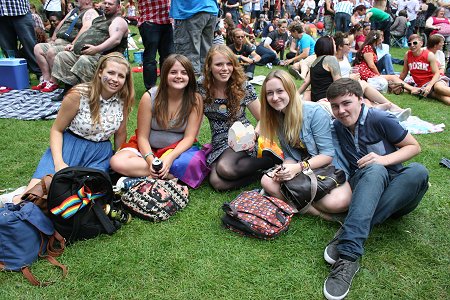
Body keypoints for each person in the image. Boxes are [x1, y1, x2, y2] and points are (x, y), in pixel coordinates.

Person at [323, 78, 429, 300]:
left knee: (418, 172)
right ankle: (349, 257)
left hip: (395, 194)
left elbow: (414, 146)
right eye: (335, 106)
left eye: (346, 103)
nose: (341, 111)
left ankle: (348, 231)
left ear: (361, 100)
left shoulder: (380, 118)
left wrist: (383, 159)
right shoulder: (337, 128)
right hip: (365, 186)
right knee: (374, 171)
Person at [6, 53, 134, 205]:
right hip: (70, 147)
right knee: (32, 200)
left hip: (100, 155)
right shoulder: (78, 94)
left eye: (121, 76)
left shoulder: (123, 100)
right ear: (100, 72)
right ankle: (14, 197)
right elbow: (56, 130)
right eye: (111, 72)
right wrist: (59, 162)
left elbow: (120, 134)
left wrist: (118, 160)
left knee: (74, 202)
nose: (115, 79)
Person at [259, 70, 352, 220]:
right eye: (270, 93)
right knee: (267, 181)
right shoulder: (277, 117)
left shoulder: (314, 113)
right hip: (301, 169)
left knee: (340, 202)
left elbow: (327, 155)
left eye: (279, 91)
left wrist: (297, 168)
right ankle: (322, 215)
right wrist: (285, 168)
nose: (275, 97)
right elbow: (289, 154)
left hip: (327, 169)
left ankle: (294, 201)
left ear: (290, 90)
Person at [110, 54, 204, 184]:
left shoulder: (195, 99)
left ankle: (151, 174)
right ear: (164, 74)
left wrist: (170, 158)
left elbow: (189, 137)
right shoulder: (149, 97)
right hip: (147, 150)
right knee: (117, 161)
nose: (179, 76)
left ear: (190, 77)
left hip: (177, 152)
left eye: (184, 73)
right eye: (173, 72)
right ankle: (166, 174)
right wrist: (151, 161)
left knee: (192, 163)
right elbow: (142, 137)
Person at [197, 45, 278, 191]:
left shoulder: (242, 85)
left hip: (243, 139)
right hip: (219, 140)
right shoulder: (201, 86)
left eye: (229, 64)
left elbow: (263, 117)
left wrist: (255, 134)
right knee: (218, 183)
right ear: (209, 66)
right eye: (219, 64)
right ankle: (258, 175)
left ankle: (269, 161)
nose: (225, 69)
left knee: (225, 169)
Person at [51, 0, 129, 101]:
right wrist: (74, 45)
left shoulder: (118, 21)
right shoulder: (99, 19)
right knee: (63, 56)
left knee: (84, 60)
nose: (106, 6)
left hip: (106, 57)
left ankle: (90, 93)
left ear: (118, 7)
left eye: (110, 4)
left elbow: (115, 40)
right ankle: (68, 89)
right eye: (105, 3)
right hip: (88, 53)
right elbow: (88, 34)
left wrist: (96, 49)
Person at [334, 31, 409, 116]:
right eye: (348, 44)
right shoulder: (332, 60)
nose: (350, 46)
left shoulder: (344, 57)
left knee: (366, 100)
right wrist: (378, 75)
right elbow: (371, 65)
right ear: (340, 46)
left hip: (353, 82)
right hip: (348, 84)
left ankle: (385, 110)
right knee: (369, 83)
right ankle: (392, 106)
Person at [32, 0, 99, 92]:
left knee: (52, 51)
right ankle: (46, 79)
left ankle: (54, 82)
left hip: (69, 44)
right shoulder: (74, 11)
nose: (76, 0)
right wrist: (52, 39)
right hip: (58, 41)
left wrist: (73, 43)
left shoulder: (90, 12)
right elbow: (62, 23)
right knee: (38, 48)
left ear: (87, 1)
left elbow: (86, 27)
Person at [353, 30, 419, 94]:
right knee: (393, 77)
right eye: (379, 40)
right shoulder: (368, 48)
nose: (380, 41)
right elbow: (371, 65)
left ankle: (409, 89)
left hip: (366, 71)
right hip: (365, 72)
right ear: (375, 40)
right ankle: (412, 88)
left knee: (392, 77)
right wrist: (378, 75)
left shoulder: (369, 47)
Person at [170, 0, 218, 76]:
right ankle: (204, 84)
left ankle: (191, 85)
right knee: (206, 53)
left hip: (190, 10)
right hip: (210, 8)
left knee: (188, 54)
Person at [401, 34, 450, 105]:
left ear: (421, 43)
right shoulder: (408, 55)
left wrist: (429, 86)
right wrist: (398, 83)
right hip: (422, 85)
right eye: (409, 44)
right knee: (440, 97)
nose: (412, 45)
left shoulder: (429, 55)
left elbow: (437, 73)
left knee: (438, 88)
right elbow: (404, 73)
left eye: (415, 43)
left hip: (435, 80)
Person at [137, 0, 174, 90]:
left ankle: (167, 87)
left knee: (168, 57)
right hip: (150, 20)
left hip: (167, 21)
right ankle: (151, 88)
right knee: (150, 57)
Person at [0, 0, 41, 77]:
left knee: (30, 45)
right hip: (1, 14)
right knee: (9, 50)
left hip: (20, 10)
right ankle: (18, 76)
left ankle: (41, 74)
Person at [298, 36, 341, 102]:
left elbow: (305, 82)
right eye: (334, 44)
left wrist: (295, 95)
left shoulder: (314, 63)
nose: (336, 46)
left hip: (315, 100)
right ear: (329, 46)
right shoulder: (331, 59)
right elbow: (339, 83)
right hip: (327, 100)